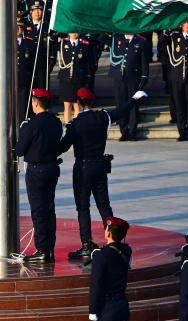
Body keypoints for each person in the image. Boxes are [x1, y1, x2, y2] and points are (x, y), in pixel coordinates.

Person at [59, 87, 148, 259]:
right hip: (99, 165)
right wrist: (134, 99)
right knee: (104, 205)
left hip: (83, 168)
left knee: (83, 207)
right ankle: (114, 241)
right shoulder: (102, 117)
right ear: (92, 102)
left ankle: (86, 244)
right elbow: (120, 112)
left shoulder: (76, 124)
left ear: (78, 103)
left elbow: (63, 147)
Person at [15, 89, 63, 262]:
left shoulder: (31, 124)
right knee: (49, 210)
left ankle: (42, 249)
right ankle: (49, 249)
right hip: (52, 167)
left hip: (36, 170)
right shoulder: (56, 122)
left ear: (35, 103)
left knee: (38, 211)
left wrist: (23, 132)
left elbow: (20, 150)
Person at [107, 34, 149, 141]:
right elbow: (101, 38)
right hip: (119, 78)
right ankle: (124, 132)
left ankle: (132, 132)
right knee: (120, 105)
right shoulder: (117, 38)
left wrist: (144, 77)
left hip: (133, 78)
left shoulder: (140, 41)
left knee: (133, 106)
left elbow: (144, 61)